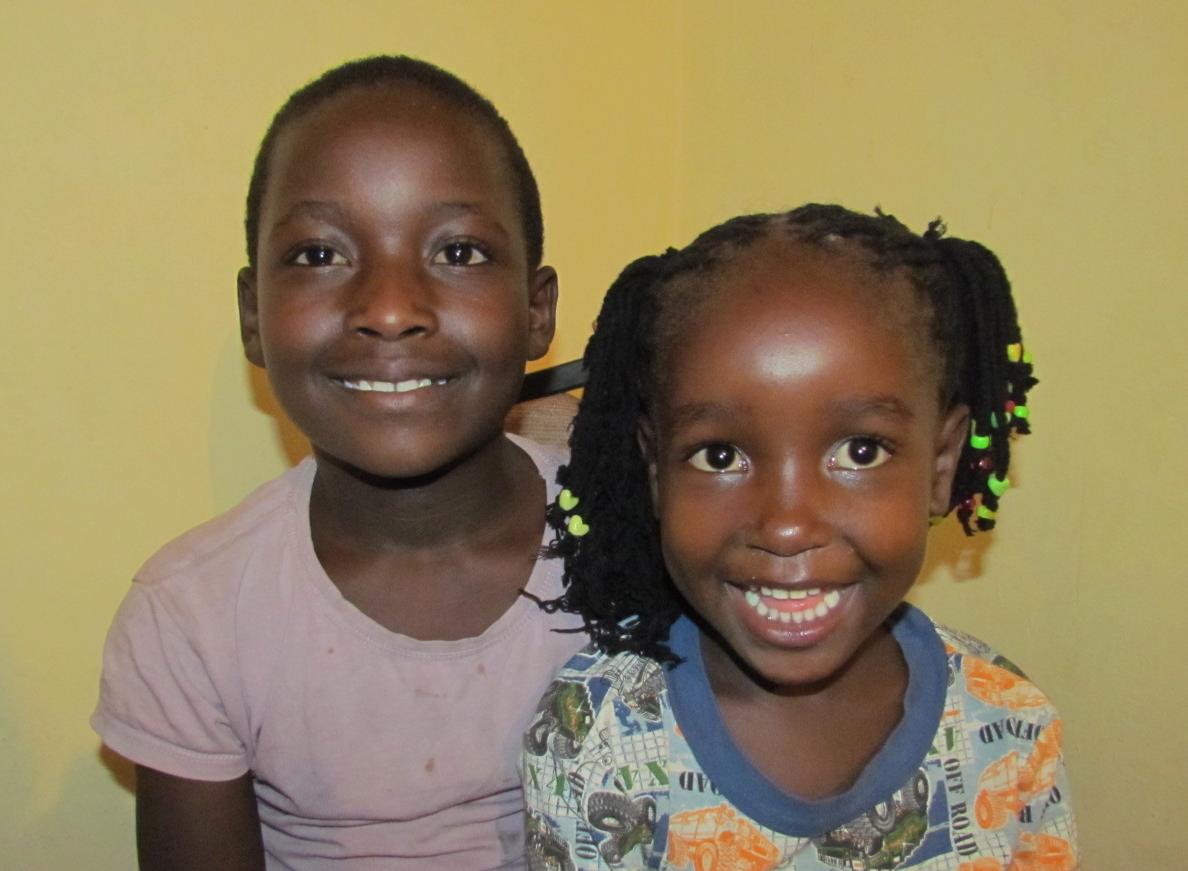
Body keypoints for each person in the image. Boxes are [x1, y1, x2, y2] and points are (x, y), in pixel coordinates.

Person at [92, 56, 586, 870]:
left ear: (537, 311)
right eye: (320, 254)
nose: (389, 309)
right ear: (254, 316)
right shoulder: (194, 618)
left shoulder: (642, 547)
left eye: (460, 252)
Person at [522, 205, 1076, 869]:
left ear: (941, 464)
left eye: (861, 451)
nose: (787, 525)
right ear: (656, 471)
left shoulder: (1009, 724)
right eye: (720, 456)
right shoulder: (593, 735)